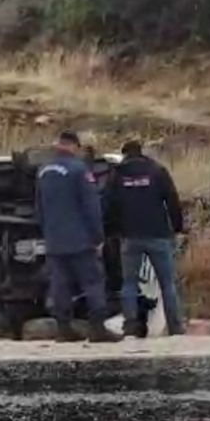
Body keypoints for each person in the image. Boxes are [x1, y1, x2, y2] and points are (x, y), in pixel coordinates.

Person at [35, 131, 121, 343]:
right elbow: (91, 207)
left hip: (54, 241)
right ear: (74, 146)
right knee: (93, 282)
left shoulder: (43, 171)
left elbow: (39, 208)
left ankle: (64, 329)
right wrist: (98, 237)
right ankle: (97, 328)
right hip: (80, 240)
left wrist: (47, 233)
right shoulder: (79, 170)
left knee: (60, 285)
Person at [105, 140, 187, 337]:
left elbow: (109, 205)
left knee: (129, 283)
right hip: (158, 234)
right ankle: (175, 326)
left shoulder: (117, 175)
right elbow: (172, 200)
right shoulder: (157, 171)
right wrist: (177, 227)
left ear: (125, 154)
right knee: (167, 283)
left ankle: (130, 325)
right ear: (141, 152)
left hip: (130, 237)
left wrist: (113, 231)